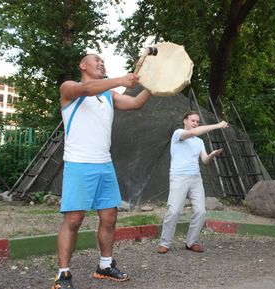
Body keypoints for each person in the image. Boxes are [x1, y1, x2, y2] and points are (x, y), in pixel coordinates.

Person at [52, 53, 152, 289]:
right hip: (79, 164)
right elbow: (88, 89)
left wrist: (155, 85)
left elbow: (136, 103)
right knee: (74, 220)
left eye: (103, 61)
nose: (101, 63)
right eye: (95, 60)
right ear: (82, 64)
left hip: (104, 164)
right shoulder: (69, 88)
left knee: (109, 218)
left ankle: (105, 266)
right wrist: (120, 79)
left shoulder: (109, 95)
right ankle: (63, 274)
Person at [157, 111, 228, 254]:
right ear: (185, 121)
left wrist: (212, 155)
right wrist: (217, 125)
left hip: (196, 178)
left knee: (201, 211)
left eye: (197, 121)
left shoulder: (199, 142)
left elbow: (205, 161)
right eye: (192, 120)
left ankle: (191, 242)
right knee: (174, 211)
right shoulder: (178, 134)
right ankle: (165, 243)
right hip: (179, 177)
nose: (195, 123)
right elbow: (193, 132)